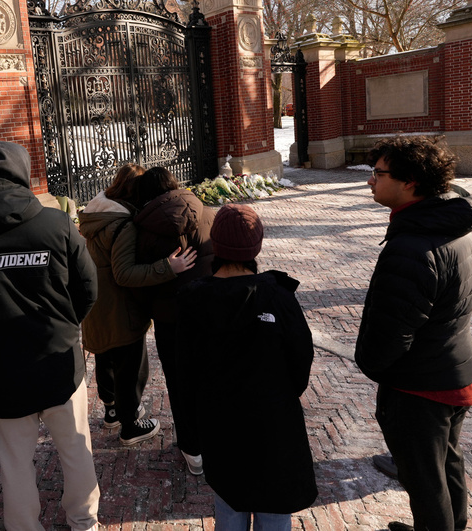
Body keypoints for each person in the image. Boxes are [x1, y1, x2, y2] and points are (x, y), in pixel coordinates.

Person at [0, 141, 100, 531]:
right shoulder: (56, 225)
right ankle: (83, 521)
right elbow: (88, 288)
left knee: (14, 462)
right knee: (76, 449)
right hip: (58, 362)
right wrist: (65, 325)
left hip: (2, 369)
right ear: (23, 176)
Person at [356, 136, 472, 531]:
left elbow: (393, 331)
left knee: (424, 478)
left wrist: (371, 363)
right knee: (447, 460)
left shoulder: (413, 246)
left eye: (378, 174)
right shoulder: (449, 223)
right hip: (453, 368)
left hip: (421, 385)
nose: (371, 181)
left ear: (411, 181)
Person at [178, 204, 318, 529]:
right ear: (256, 246)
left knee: (229, 506)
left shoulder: (192, 300)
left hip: (219, 425)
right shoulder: (279, 297)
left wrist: (193, 433)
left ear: (216, 245)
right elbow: (301, 360)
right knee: (273, 511)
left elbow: (185, 374)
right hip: (274, 424)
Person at [78, 163, 195, 445]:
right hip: (121, 308)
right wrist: (167, 267)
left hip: (97, 303)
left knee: (106, 355)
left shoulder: (96, 214)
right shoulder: (124, 225)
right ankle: (131, 425)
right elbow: (125, 273)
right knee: (130, 366)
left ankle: (112, 410)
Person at [131, 167, 214, 476]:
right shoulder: (206, 212)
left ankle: (193, 451)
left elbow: (140, 280)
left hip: (170, 319)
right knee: (209, 376)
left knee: (179, 382)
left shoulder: (146, 229)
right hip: (208, 312)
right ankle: (215, 439)